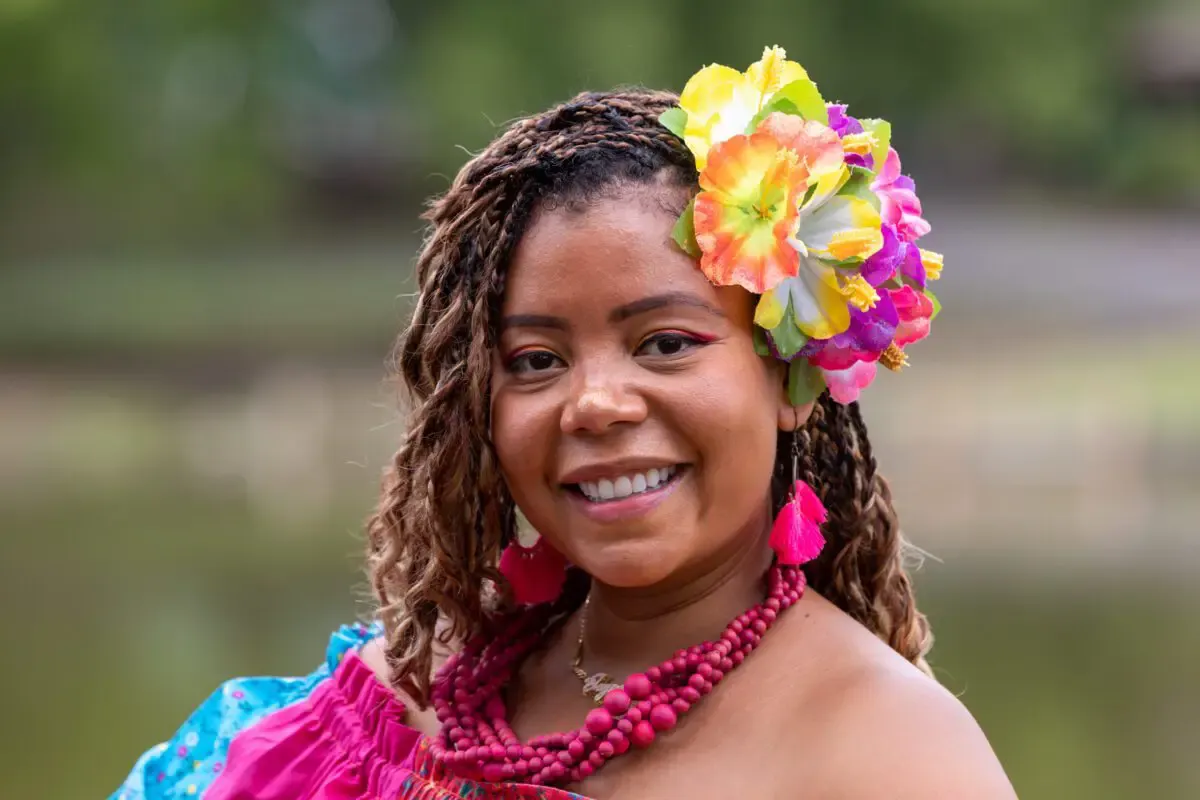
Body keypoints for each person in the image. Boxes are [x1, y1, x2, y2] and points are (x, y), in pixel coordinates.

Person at [111, 46, 1016, 799]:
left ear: (790, 379)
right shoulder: (383, 717)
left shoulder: (889, 754)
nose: (594, 403)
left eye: (664, 343)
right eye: (536, 361)